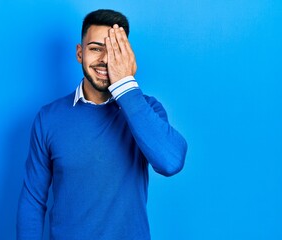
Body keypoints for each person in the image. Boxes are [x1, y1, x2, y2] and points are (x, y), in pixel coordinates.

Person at [17, 9, 187, 240]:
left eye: (115, 51)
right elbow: (33, 201)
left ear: (126, 56)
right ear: (80, 53)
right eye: (96, 48)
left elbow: (171, 162)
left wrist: (125, 84)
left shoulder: (146, 110)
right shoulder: (49, 118)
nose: (105, 60)